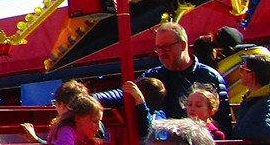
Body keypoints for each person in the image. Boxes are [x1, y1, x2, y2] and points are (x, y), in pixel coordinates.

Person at [99, 21, 233, 130]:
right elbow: (127, 92)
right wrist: (92, 98)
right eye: (158, 48)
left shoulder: (209, 76)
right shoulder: (154, 75)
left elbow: (223, 122)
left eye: (166, 47)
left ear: (182, 45)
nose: (161, 53)